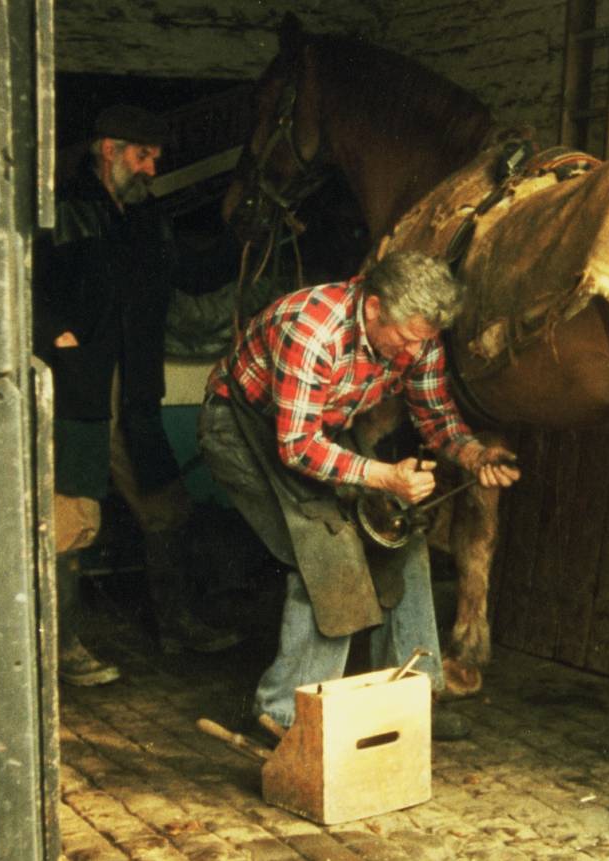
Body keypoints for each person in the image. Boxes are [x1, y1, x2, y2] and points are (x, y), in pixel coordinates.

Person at [197, 250, 519, 740]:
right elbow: (298, 446)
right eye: (407, 339)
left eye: (424, 341)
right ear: (372, 308)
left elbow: (435, 416)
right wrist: (385, 476)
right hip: (244, 428)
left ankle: (413, 697)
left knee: (400, 536)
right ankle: (284, 715)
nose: (414, 353)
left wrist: (476, 456)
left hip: (317, 429)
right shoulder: (311, 327)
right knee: (325, 550)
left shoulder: (418, 336)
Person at [33, 104, 245, 686]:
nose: (152, 168)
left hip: (135, 387)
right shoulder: (61, 208)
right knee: (71, 512)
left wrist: (245, 229)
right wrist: (57, 336)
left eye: (155, 158)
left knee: (165, 503)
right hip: (80, 384)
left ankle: (177, 625)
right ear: (109, 149)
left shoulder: (148, 220)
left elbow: (197, 273)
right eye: (142, 154)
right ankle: (62, 650)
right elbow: (23, 282)